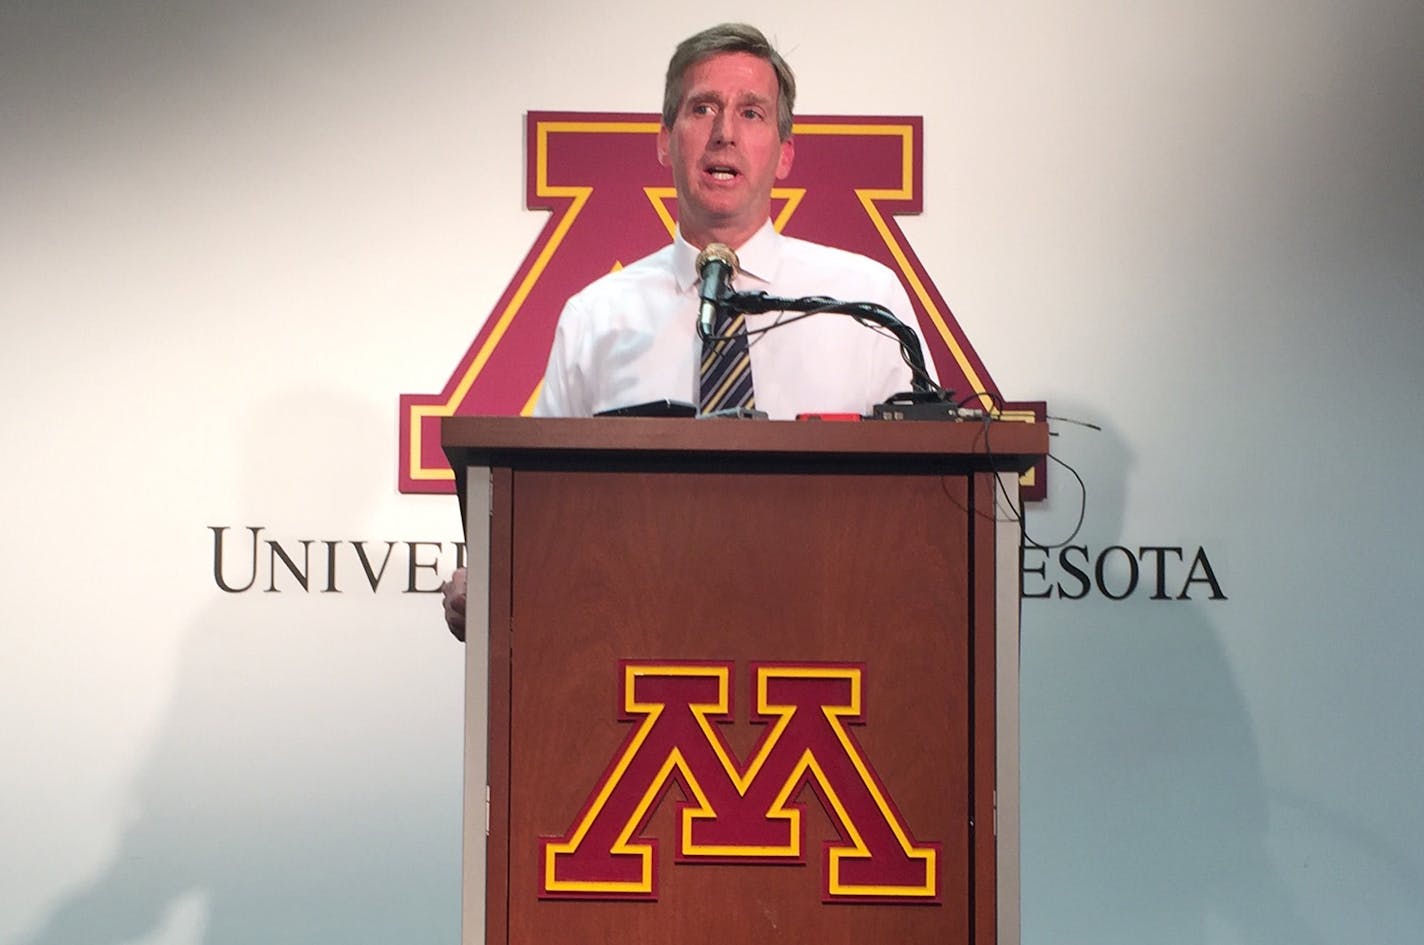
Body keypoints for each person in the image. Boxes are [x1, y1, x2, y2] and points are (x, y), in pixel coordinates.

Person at [443, 23, 930, 639]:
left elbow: (927, 509)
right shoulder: (598, 317)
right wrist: (495, 581)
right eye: (703, 108)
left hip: (831, 644)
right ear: (665, 142)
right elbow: (544, 516)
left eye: (752, 113)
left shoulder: (865, 301)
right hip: (642, 656)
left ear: (783, 154)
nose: (725, 132)